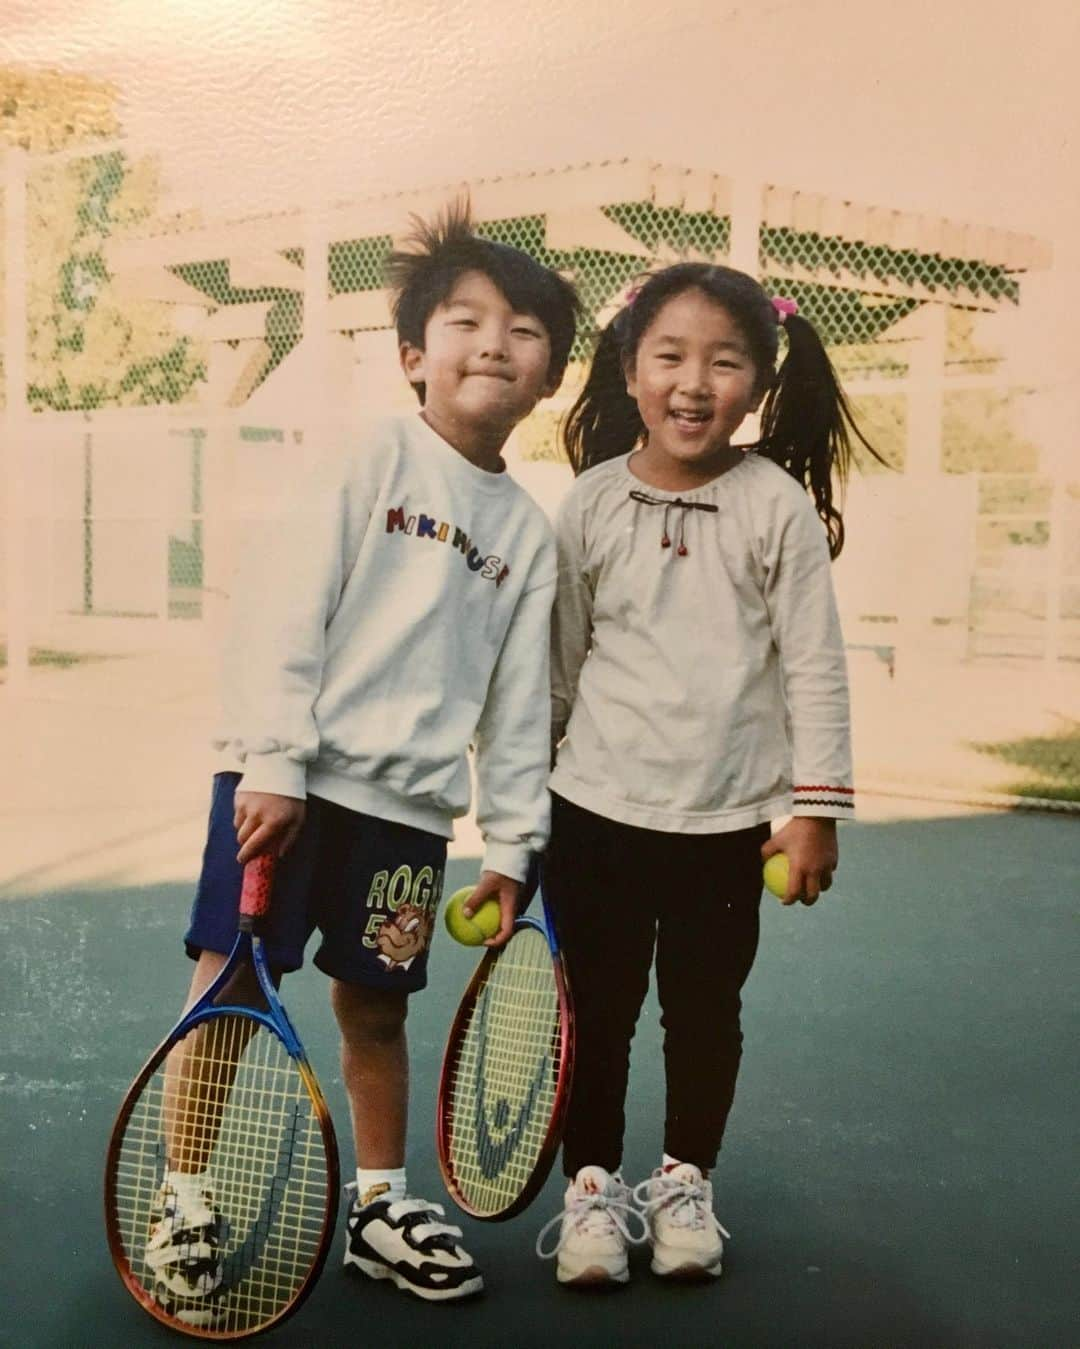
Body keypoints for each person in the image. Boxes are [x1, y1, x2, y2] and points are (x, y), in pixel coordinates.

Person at [146, 201, 580, 1321]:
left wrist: (517, 843)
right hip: (284, 787)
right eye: (468, 319)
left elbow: (519, 708)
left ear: (550, 380)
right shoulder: (363, 458)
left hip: (409, 820)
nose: (496, 340)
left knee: (376, 1015)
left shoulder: (528, 535)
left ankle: (380, 1208)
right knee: (232, 988)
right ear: (411, 355)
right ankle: (184, 1196)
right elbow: (282, 612)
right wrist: (277, 761)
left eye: (527, 330)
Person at [535, 263, 877, 1287]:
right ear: (629, 371)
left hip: (729, 823)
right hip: (591, 812)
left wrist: (813, 810)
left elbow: (815, 663)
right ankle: (591, 1189)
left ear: (760, 382)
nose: (694, 382)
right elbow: (554, 665)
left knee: (704, 1010)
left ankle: (685, 1181)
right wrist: (518, 807)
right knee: (593, 1010)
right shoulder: (589, 503)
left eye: (723, 361)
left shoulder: (776, 508)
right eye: (669, 357)